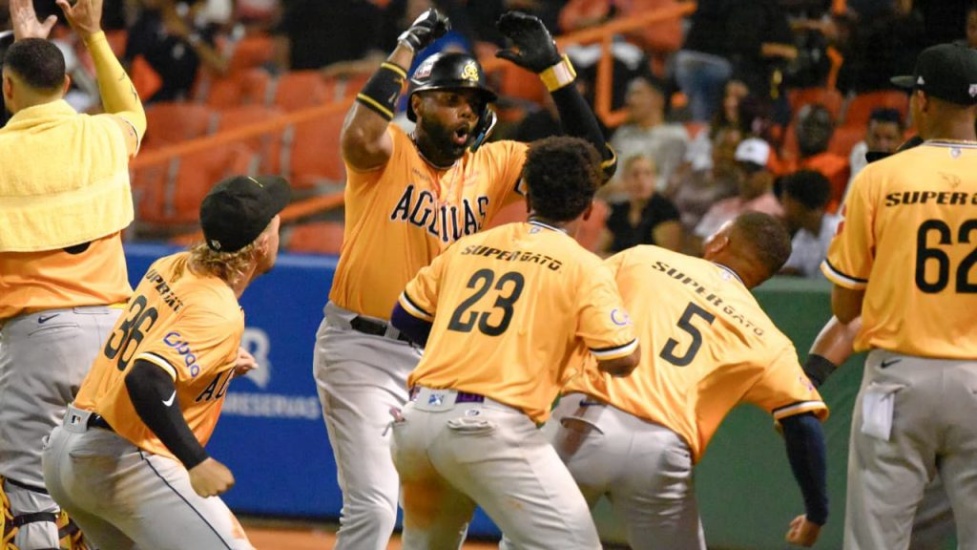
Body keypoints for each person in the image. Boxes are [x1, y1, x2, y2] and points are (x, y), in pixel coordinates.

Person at [312, 8, 617, 549]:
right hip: (362, 348)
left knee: (435, 520)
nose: (466, 112)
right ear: (417, 104)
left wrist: (555, 73)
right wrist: (405, 48)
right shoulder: (390, 152)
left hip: (437, 357)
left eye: (474, 104)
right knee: (375, 507)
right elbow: (359, 133)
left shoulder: (492, 165)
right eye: (451, 99)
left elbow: (593, 164)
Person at [388, 136, 640, 548]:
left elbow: (404, 317)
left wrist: (469, 347)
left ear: (529, 197)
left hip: (416, 423)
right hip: (489, 427)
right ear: (588, 208)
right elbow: (622, 358)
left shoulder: (470, 246)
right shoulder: (585, 267)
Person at [550, 212, 829, 549]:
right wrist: (816, 512)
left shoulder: (644, 259)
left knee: (530, 542)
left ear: (720, 242)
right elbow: (803, 424)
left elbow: (565, 306)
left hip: (586, 419)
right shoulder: (769, 338)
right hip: (662, 451)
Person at [42, 174, 290, 549]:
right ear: (261, 244)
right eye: (274, 221)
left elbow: (153, 346)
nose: (279, 224)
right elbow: (145, 378)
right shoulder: (217, 310)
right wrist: (196, 461)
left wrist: (217, 363)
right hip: (120, 456)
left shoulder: (173, 264)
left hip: (67, 447)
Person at [0, 0, 146, 546]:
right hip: (115, 338)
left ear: (8, 89)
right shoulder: (104, 137)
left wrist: (18, 51)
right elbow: (133, 111)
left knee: (31, 497)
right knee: (112, 494)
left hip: (36, 339)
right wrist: (94, 34)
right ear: (65, 85)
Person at [820, 42, 977, 549]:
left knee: (875, 539)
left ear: (923, 100)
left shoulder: (880, 177)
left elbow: (845, 307)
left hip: (899, 379)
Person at [692, 137, 783, 254]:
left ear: (770, 173)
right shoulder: (723, 204)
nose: (744, 176)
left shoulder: (773, 212)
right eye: (741, 169)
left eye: (752, 170)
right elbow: (696, 239)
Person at [597, 154, 682, 255]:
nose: (641, 180)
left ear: (655, 179)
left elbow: (668, 256)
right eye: (635, 175)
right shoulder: (618, 212)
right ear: (624, 179)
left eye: (647, 174)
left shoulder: (665, 211)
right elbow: (600, 250)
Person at [779, 170, 841, 279]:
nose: (783, 209)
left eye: (786, 201)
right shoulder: (802, 236)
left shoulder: (838, 233)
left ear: (796, 203)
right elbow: (788, 270)